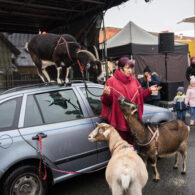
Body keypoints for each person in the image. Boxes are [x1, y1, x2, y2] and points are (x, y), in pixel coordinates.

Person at [101, 57, 161, 145]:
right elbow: (106, 102)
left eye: (131, 68)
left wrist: (149, 90)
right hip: (119, 123)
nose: (130, 70)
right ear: (120, 68)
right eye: (127, 68)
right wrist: (107, 95)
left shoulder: (135, 81)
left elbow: (140, 97)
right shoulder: (111, 82)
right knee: (120, 149)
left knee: (132, 148)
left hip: (133, 122)